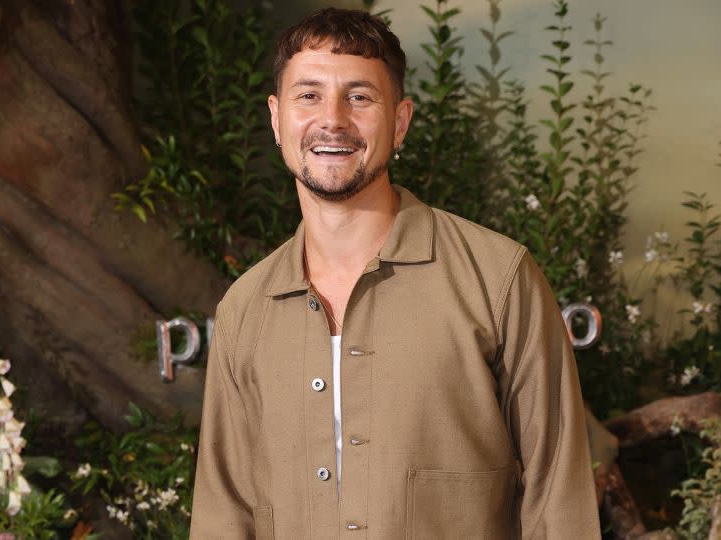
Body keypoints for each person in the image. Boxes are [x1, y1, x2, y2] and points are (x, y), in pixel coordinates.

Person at [190, 7, 599, 539]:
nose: (332, 118)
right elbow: (225, 514)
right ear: (276, 118)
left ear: (400, 121)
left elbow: (558, 497)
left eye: (359, 97)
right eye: (308, 95)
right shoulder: (244, 309)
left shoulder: (498, 279)